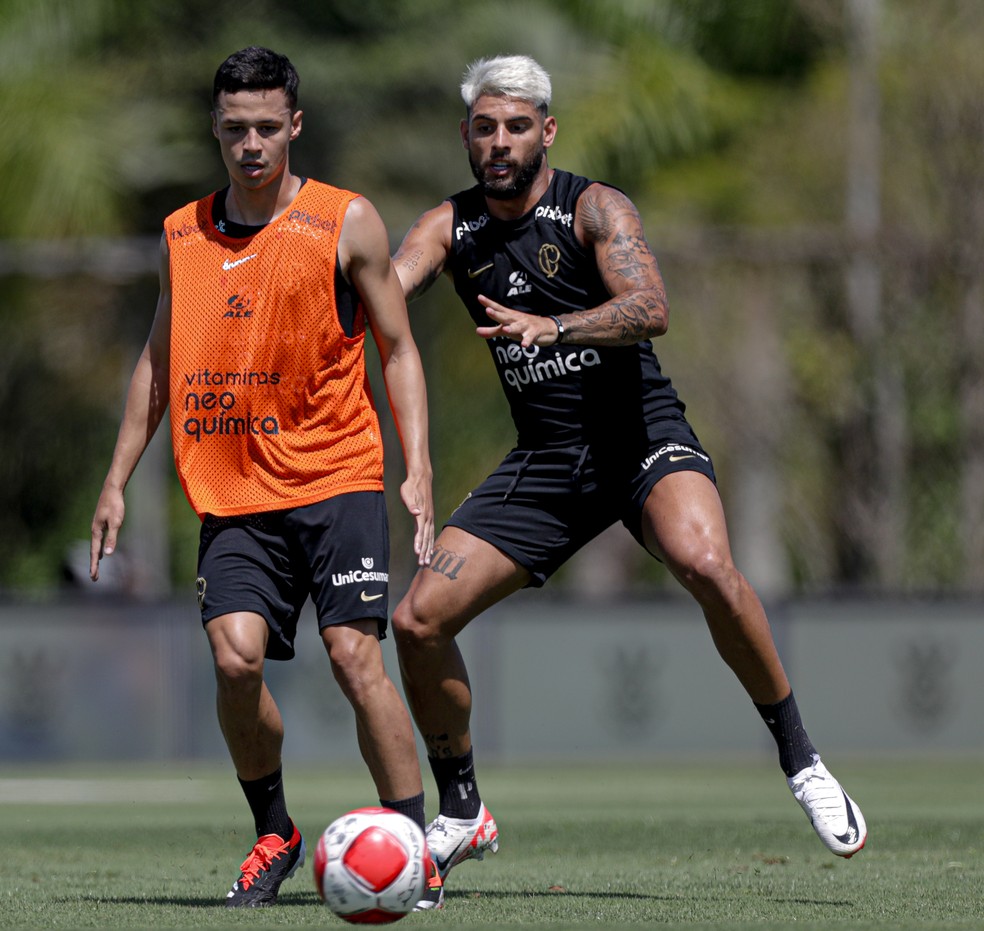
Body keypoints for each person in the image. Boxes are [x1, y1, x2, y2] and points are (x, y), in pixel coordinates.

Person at [390, 54, 867, 883]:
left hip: (639, 436)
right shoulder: (448, 226)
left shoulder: (594, 206)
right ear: (466, 135)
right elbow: (388, 284)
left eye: (516, 126)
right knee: (418, 620)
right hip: (547, 460)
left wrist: (557, 327)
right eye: (484, 127)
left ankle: (802, 761)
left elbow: (652, 309)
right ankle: (463, 812)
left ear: (548, 130)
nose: (499, 142)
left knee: (705, 563)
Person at [89, 47, 444, 910]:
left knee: (356, 658)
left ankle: (411, 843)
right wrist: (116, 478)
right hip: (235, 493)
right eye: (234, 128)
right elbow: (158, 359)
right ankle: (275, 831)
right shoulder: (182, 233)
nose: (250, 144)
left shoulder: (344, 221)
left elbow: (397, 347)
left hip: (338, 475)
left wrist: (420, 464)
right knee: (234, 659)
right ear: (216, 128)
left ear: (295, 125)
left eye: (266, 127)